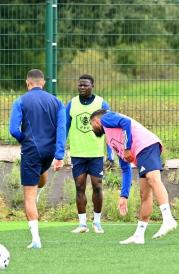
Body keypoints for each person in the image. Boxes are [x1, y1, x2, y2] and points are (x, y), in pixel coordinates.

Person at [90, 109, 177, 245]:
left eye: (91, 124)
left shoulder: (105, 119)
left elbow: (126, 122)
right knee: (144, 194)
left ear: (96, 121)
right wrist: (124, 196)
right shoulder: (110, 140)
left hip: (146, 146)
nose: (91, 128)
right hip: (141, 154)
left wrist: (127, 147)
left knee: (153, 179)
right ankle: (139, 235)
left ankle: (168, 219)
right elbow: (125, 168)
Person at [9, 69, 66, 249]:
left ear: (28, 83)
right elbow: (62, 129)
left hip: (31, 150)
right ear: (43, 83)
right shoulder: (57, 102)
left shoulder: (20, 101)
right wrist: (59, 155)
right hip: (49, 152)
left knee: (28, 196)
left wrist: (23, 139)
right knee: (41, 174)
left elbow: (13, 129)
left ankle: (35, 239)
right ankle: (37, 193)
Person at [65, 74, 112, 234]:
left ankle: (97, 222)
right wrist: (60, 151)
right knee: (79, 187)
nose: (82, 87)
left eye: (85, 85)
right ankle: (82, 224)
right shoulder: (71, 104)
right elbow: (64, 128)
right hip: (78, 153)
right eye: (80, 85)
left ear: (92, 86)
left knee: (97, 186)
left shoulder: (101, 103)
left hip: (96, 154)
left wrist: (110, 154)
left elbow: (110, 129)